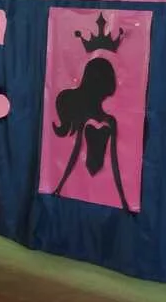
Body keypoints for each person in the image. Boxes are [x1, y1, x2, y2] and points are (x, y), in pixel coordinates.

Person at [52, 57, 130, 211]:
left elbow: (114, 159)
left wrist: (123, 198)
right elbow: (76, 152)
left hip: (102, 191)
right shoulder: (89, 119)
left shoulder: (110, 121)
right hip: (81, 188)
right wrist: (60, 184)